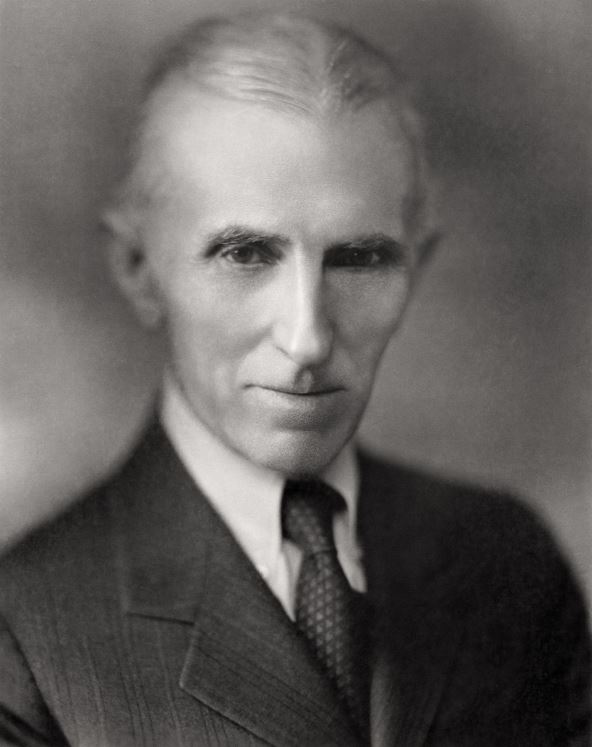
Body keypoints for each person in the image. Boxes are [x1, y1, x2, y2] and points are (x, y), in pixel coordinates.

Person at [0, 10, 589, 747]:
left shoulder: (506, 563)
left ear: (417, 266)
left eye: (360, 259)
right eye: (245, 255)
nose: (306, 337)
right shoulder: (26, 635)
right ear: (139, 268)